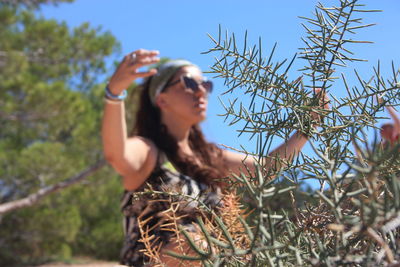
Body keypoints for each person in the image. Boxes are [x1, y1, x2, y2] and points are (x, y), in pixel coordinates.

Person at [102, 49, 325, 266]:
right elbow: (118, 155)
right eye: (189, 83)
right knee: (194, 244)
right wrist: (115, 93)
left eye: (206, 85)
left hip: (215, 259)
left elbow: (267, 169)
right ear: (162, 99)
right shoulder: (149, 151)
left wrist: (307, 126)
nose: (201, 91)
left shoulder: (209, 157)